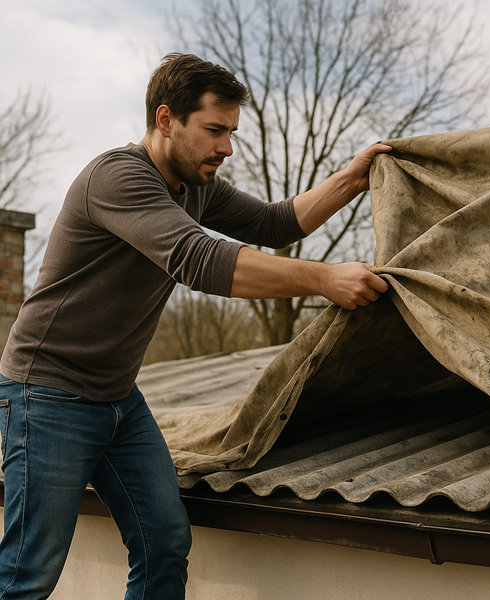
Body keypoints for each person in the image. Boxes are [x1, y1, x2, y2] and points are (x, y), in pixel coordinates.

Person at [0, 53, 390, 598]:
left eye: (231, 132)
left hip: (117, 397)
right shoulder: (117, 178)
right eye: (214, 130)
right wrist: (324, 278)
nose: (226, 147)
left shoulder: (198, 185)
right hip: (47, 396)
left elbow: (272, 223)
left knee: (164, 545)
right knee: (28, 576)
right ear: (166, 120)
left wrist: (351, 179)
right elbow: (197, 259)